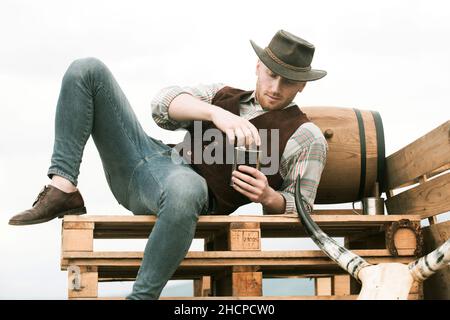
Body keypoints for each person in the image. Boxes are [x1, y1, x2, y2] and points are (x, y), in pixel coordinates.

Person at [8, 30, 328, 299]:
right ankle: (63, 187)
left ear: (302, 85)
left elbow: (302, 211)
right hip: (146, 161)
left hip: (189, 195)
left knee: (185, 187)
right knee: (87, 69)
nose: (275, 88)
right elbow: (162, 105)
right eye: (271, 74)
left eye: (287, 82)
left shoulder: (305, 135)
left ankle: (141, 297)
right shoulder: (221, 95)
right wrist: (215, 113)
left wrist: (268, 197)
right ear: (258, 66)